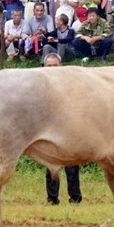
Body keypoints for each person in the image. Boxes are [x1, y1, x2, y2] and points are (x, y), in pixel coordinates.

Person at [42, 52, 82, 206]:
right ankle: (52, 199)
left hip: (69, 128)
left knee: (72, 165)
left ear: (61, 66)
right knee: (51, 165)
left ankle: (75, 198)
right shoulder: (40, 85)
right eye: (49, 66)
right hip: (49, 130)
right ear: (44, 67)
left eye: (55, 65)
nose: (52, 68)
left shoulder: (70, 83)